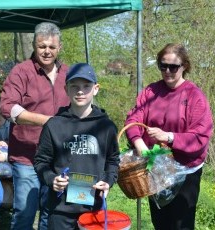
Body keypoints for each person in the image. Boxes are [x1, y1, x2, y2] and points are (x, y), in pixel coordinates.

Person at [125, 43, 213, 230]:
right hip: (155, 167)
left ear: (184, 66)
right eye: (163, 66)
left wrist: (168, 136)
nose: (167, 71)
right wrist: (140, 144)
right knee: (161, 221)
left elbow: (200, 136)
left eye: (173, 67)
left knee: (181, 224)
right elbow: (133, 118)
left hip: (184, 171)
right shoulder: (151, 92)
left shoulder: (194, 95)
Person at [0, 22, 70, 230]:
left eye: (51, 46)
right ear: (34, 45)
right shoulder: (21, 72)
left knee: (51, 213)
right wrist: (47, 121)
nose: (47, 51)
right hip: (27, 157)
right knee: (25, 212)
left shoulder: (69, 73)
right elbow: (7, 107)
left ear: (60, 47)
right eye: (42, 46)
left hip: (58, 158)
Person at [34, 63, 120, 230]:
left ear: (96, 89)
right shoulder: (54, 125)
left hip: (93, 209)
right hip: (60, 209)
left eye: (86, 86)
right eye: (75, 87)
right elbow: (41, 161)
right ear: (66, 89)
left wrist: (108, 181)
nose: (80, 91)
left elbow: (113, 160)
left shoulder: (106, 127)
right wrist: (52, 179)